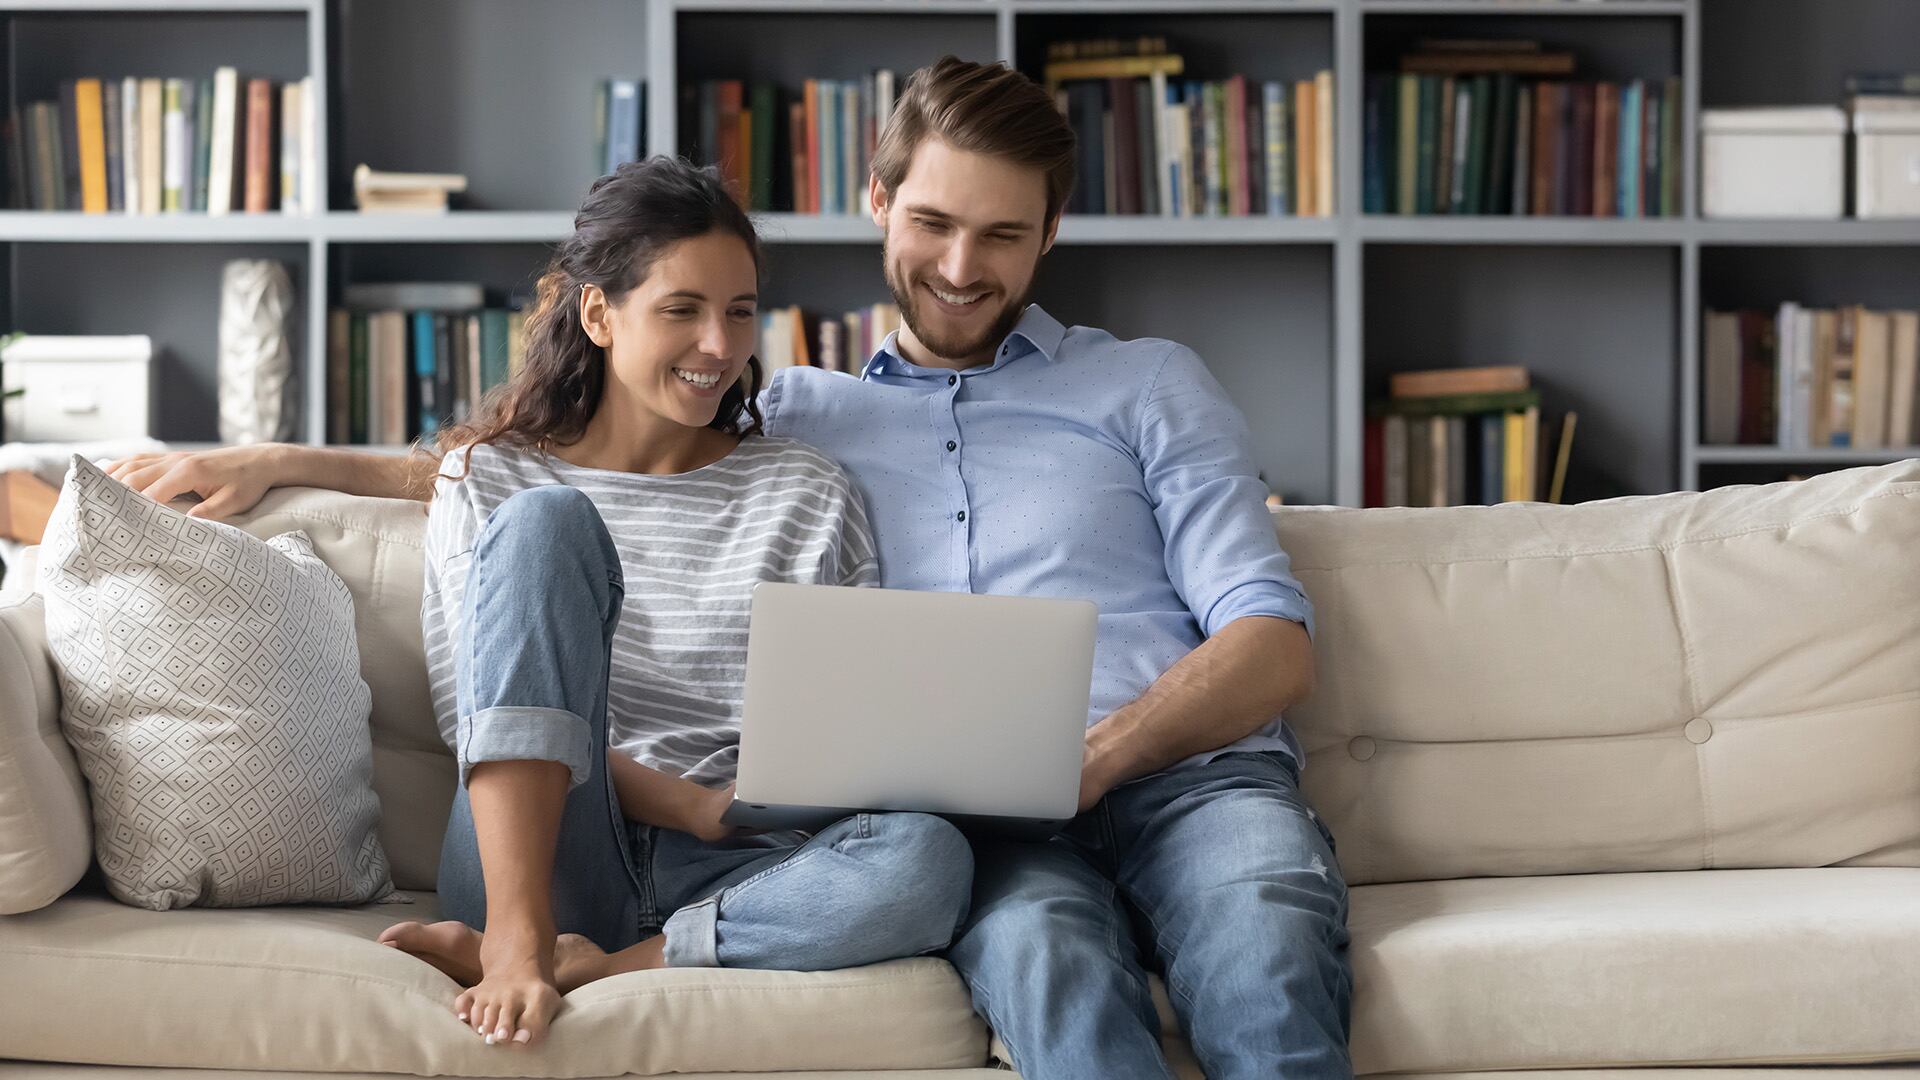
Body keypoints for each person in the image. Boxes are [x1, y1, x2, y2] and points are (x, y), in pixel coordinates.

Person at [109, 58, 1349, 1080]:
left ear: (1049, 237)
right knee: (1040, 961)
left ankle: (598, 962)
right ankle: (530, 937)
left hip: (1140, 788)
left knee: (1174, 919)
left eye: (1002, 234)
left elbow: (1270, 639)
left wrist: (1077, 763)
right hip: (731, 823)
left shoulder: (1044, 404)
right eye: (933, 223)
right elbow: (538, 485)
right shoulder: (760, 425)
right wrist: (282, 458)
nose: (963, 265)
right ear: (878, 202)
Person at [113, 158, 977, 1050]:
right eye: (682, 309)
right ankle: (518, 938)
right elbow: (481, 718)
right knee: (547, 524)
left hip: (740, 870)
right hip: (543, 845)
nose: (721, 345)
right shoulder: (493, 476)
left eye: (741, 311)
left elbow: (849, 734)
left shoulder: (809, 491)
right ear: (599, 314)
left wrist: (765, 808)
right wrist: (686, 804)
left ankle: (611, 965)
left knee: (931, 858)